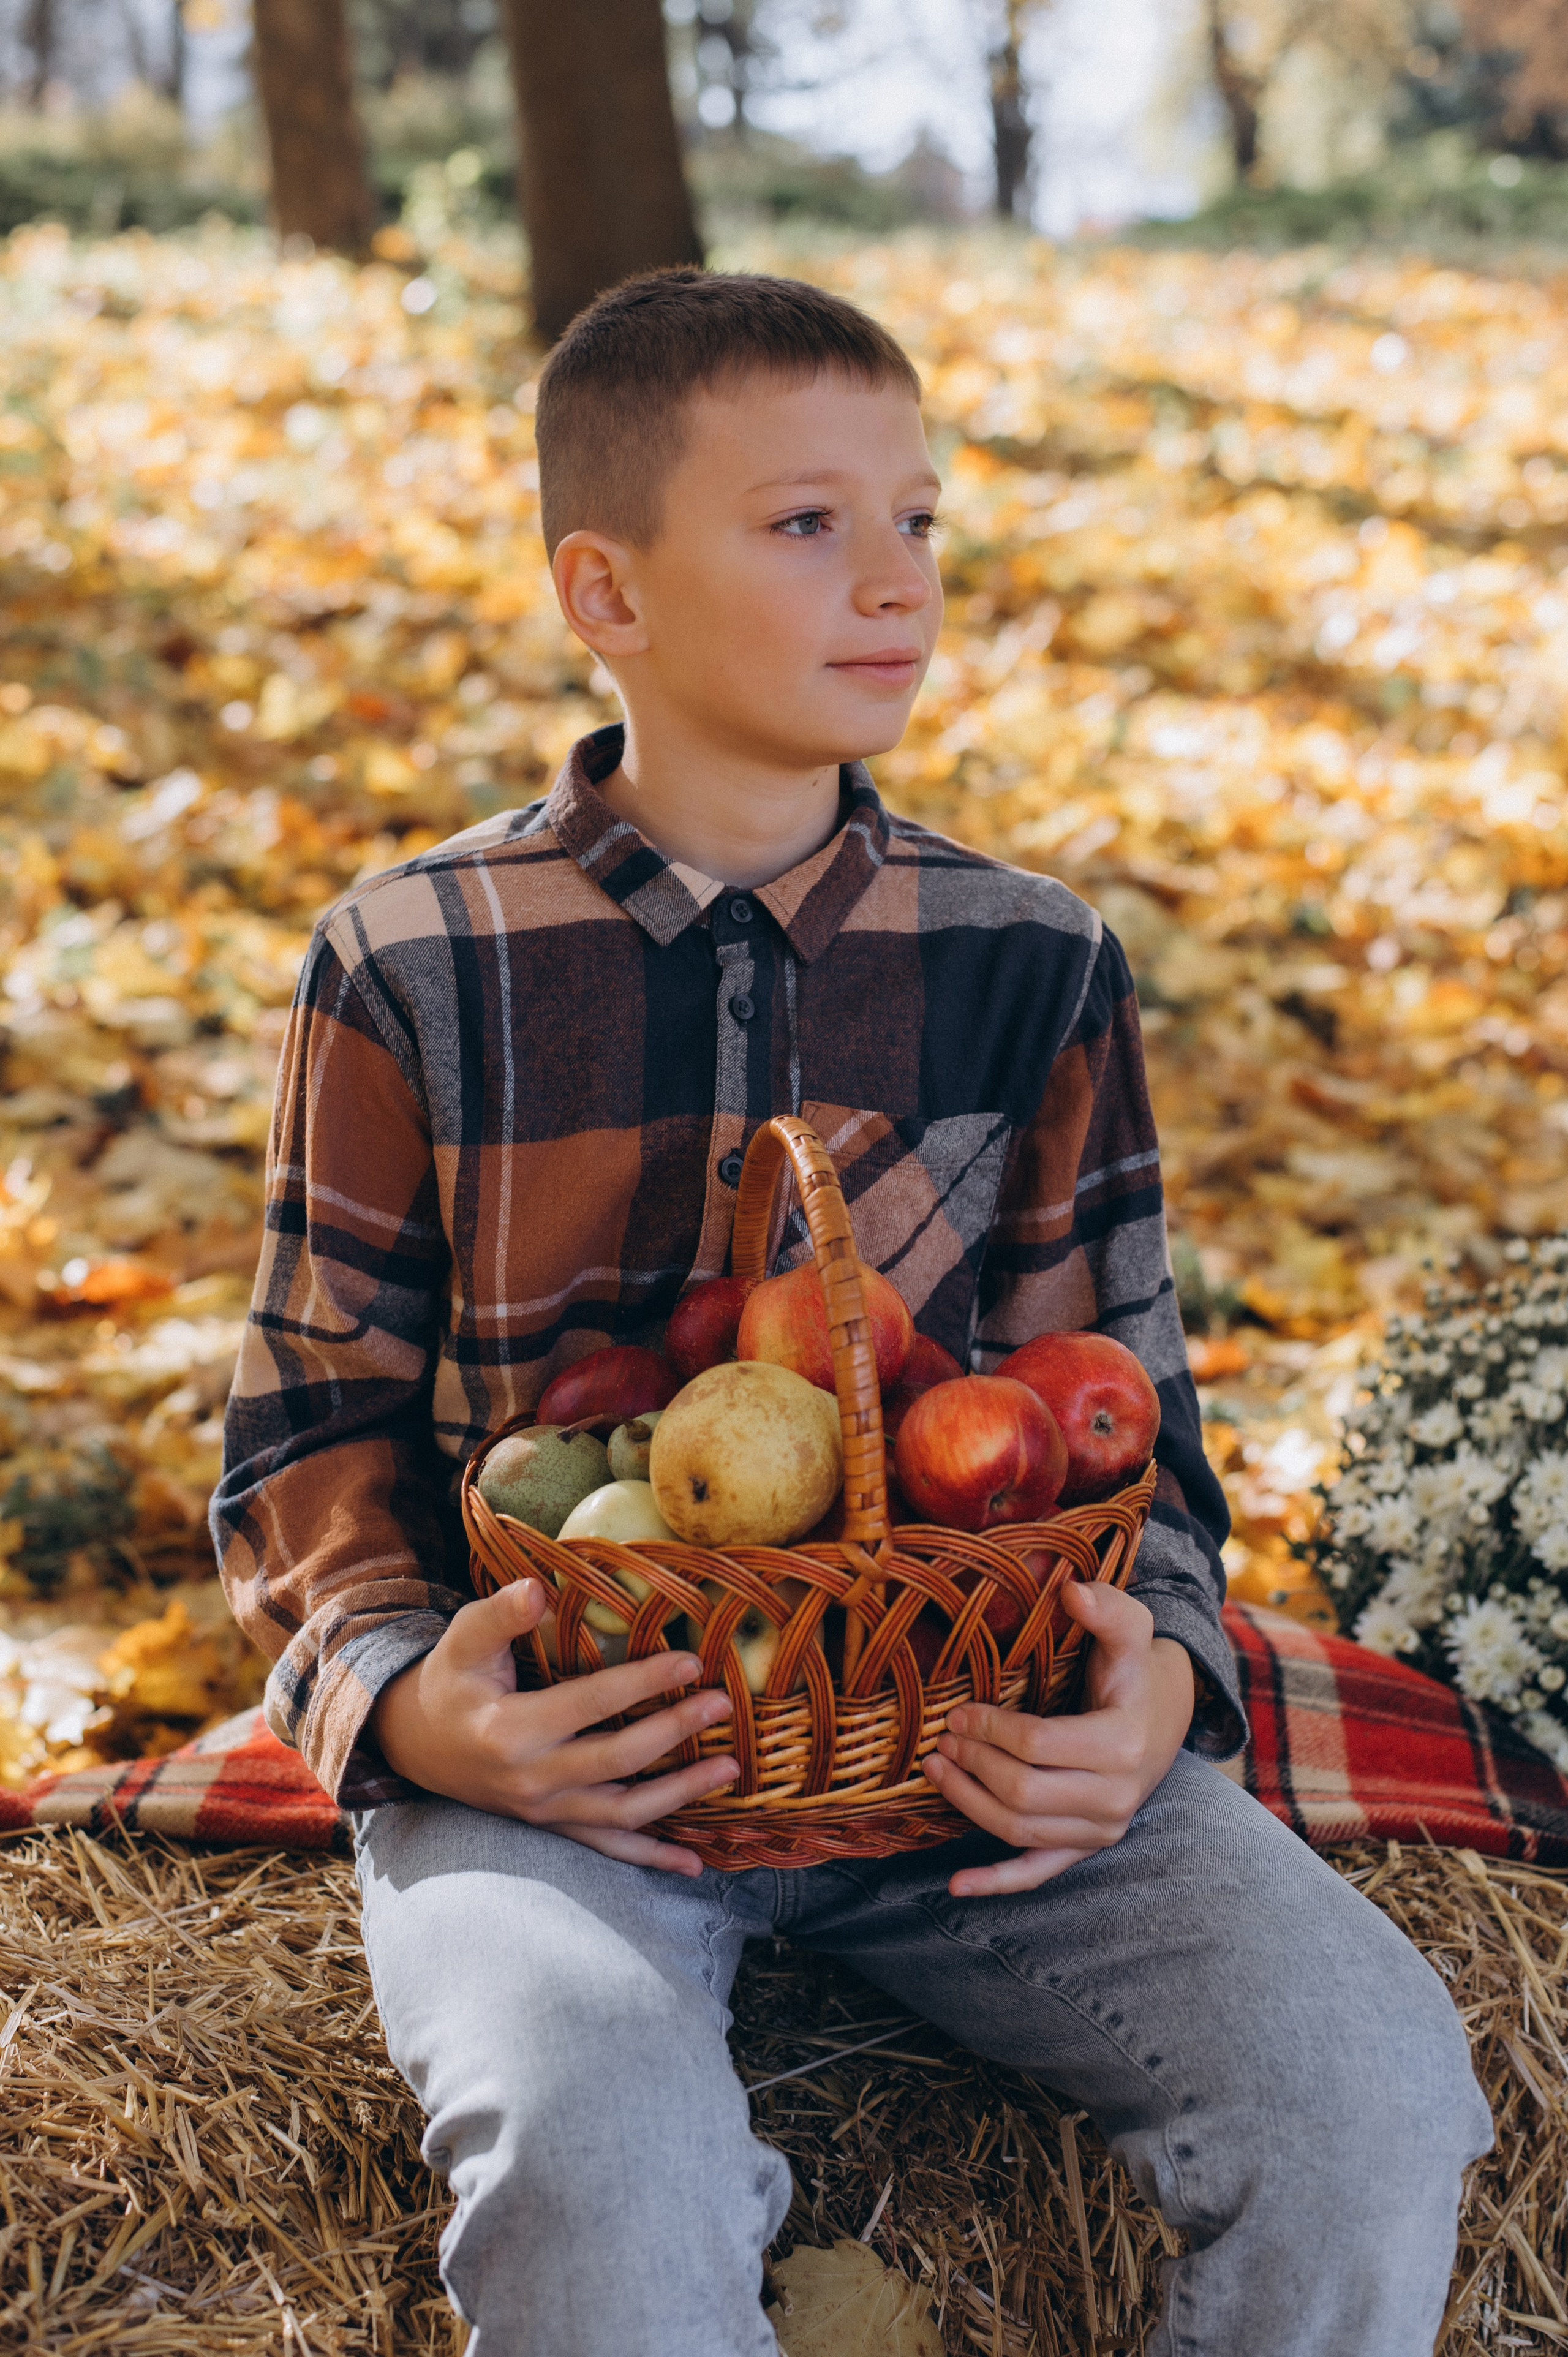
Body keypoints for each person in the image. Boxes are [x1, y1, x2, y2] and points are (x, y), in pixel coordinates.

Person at [214, 270, 1490, 2357]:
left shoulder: (1027, 957)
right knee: (591, 2166)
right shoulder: (417, 960)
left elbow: (1137, 1420)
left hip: (963, 1741)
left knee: (1374, 2091)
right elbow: (306, 1437)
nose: (893, 580)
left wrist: (1157, 1681)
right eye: (807, 524)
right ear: (602, 591)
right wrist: (410, 1710)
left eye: (920, 523)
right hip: (582, 1766)